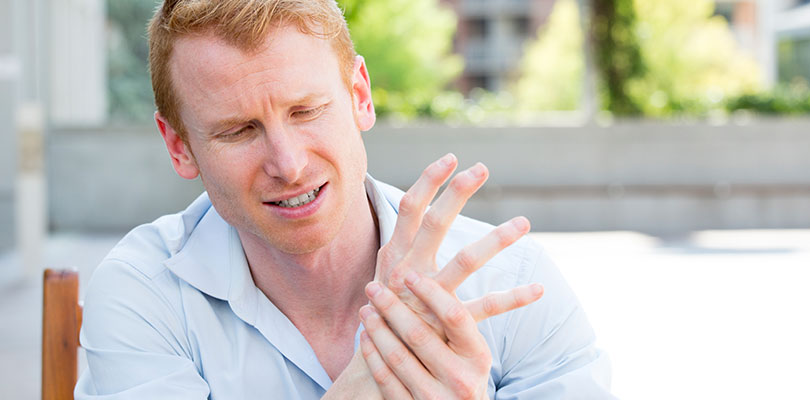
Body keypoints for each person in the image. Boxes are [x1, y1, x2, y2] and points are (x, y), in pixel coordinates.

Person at [75, 0, 614, 398]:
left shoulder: (508, 278)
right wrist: (372, 377)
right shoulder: (143, 294)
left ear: (359, 94)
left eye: (307, 111)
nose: (288, 165)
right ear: (179, 146)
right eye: (238, 131)